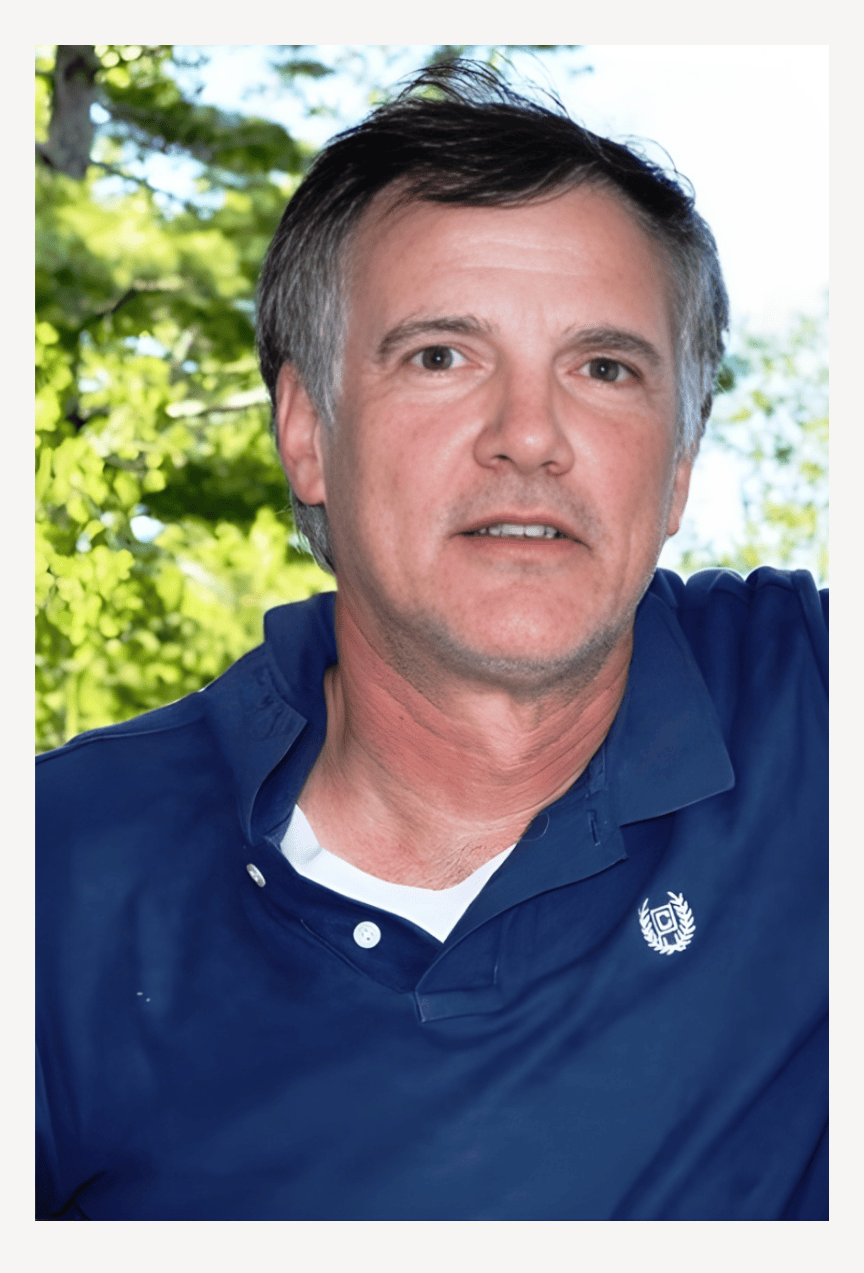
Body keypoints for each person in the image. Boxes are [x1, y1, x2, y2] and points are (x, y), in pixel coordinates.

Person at [36, 63, 827, 1220]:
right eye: (441, 356)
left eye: (604, 368)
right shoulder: (56, 875)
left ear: (679, 467)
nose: (529, 436)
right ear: (307, 432)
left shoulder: (809, 709)